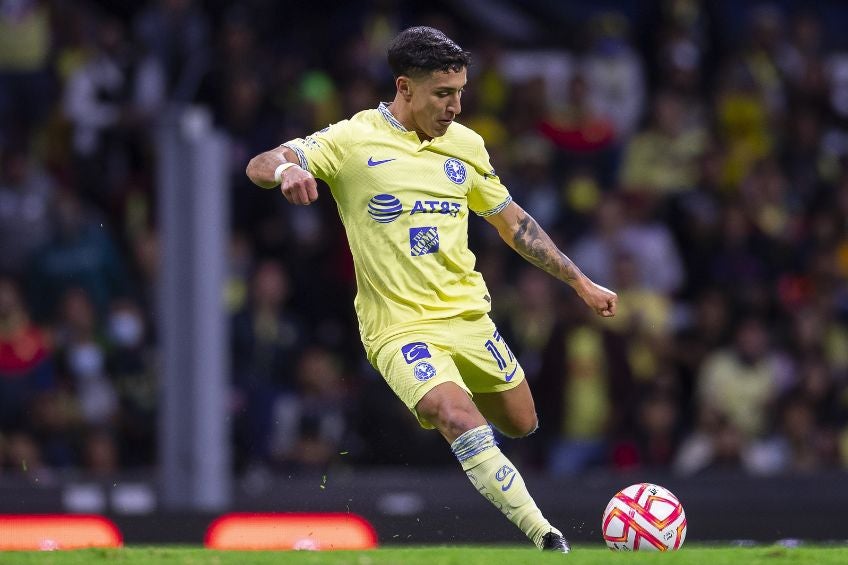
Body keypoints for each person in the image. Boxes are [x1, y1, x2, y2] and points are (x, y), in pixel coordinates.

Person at [246, 26, 617, 553]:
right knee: (456, 413)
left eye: (460, 92)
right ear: (405, 88)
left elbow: (514, 224)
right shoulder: (353, 139)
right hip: (397, 328)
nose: (456, 107)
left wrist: (580, 282)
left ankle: (462, 425)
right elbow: (259, 163)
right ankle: (546, 536)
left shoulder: (466, 146)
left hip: (469, 319)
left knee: (522, 422)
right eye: (444, 94)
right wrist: (286, 170)